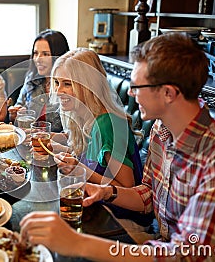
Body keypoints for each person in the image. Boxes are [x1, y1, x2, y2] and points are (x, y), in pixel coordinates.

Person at [20, 33, 215, 261]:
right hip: (159, 241)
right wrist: (106, 191)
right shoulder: (161, 130)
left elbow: (189, 255)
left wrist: (78, 243)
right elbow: (148, 196)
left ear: (168, 93)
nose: (130, 93)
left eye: (137, 86)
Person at [48, 48, 153, 238]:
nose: (58, 91)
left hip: (124, 220)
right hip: (98, 207)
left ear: (88, 86)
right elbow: (88, 159)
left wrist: (78, 168)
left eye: (67, 84)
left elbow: (127, 187)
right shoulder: (84, 115)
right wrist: (53, 144)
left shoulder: (107, 125)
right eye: (56, 83)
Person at [8, 29, 69, 132]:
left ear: (58, 56)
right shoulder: (31, 79)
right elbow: (20, 108)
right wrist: (15, 114)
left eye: (45, 54)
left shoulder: (68, 85)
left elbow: (71, 130)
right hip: (30, 140)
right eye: (36, 53)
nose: (38, 59)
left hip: (56, 145)